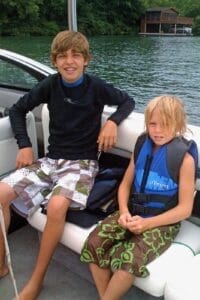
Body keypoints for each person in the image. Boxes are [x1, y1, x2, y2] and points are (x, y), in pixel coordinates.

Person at [0, 30, 135, 299]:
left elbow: (127, 101)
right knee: (1, 193)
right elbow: (17, 110)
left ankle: (36, 280)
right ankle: (2, 264)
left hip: (82, 163)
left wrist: (112, 122)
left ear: (87, 60)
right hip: (50, 160)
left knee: (58, 205)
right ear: (54, 61)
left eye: (76, 55)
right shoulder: (50, 85)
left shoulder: (96, 87)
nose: (69, 61)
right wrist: (25, 145)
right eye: (62, 56)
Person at [80, 95, 198, 300]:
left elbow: (185, 209)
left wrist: (147, 224)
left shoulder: (185, 159)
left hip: (163, 222)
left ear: (178, 124)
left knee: (128, 261)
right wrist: (124, 212)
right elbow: (125, 184)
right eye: (152, 124)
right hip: (131, 212)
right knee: (94, 243)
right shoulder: (142, 144)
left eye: (165, 124)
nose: (157, 131)